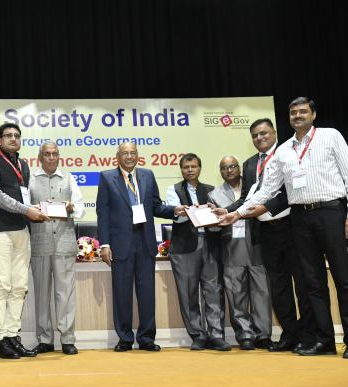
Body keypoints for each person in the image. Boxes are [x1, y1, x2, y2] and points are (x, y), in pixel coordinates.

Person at [220, 97, 348, 359]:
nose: (298, 116)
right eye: (293, 113)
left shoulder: (330, 136)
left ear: (313, 114)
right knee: (313, 284)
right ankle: (324, 341)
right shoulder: (284, 150)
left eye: (303, 111)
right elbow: (266, 189)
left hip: (330, 213)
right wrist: (236, 214)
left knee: (343, 280)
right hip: (300, 219)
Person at [218, 118, 314, 353]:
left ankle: (308, 335)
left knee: (302, 284)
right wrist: (228, 212)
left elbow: (291, 191)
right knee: (279, 287)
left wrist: (265, 208)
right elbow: (248, 198)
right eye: (255, 135)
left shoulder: (288, 154)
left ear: (274, 133)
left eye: (264, 133)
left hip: (292, 228)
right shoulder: (250, 164)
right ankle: (289, 335)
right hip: (266, 233)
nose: (259, 138)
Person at [97, 143, 183, 352]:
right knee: (121, 293)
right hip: (120, 243)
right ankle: (125, 338)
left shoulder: (147, 175)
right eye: (125, 153)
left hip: (145, 242)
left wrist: (175, 210)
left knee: (147, 294)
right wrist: (105, 244)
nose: (129, 156)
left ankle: (146, 338)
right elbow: (103, 213)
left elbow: (156, 206)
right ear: (117, 156)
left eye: (133, 153)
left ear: (137, 156)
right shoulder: (107, 177)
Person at [0, 122, 49, 359]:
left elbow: (24, 196)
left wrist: (37, 208)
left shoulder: (23, 164)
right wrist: (26, 209)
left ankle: (12, 336)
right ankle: (0, 340)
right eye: (8, 135)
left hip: (22, 230)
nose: (13, 139)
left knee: (19, 286)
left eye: (17, 136)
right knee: (2, 285)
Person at [166, 153, 230, 351]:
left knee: (213, 290)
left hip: (210, 243)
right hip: (184, 247)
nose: (190, 170)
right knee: (188, 292)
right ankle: (198, 334)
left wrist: (212, 211)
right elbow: (177, 217)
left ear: (200, 168)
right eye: (186, 167)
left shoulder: (211, 190)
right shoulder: (173, 190)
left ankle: (216, 335)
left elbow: (220, 220)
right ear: (181, 170)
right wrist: (187, 211)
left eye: (193, 166)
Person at [28, 142, 85, 355]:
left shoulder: (69, 178)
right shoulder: (30, 179)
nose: (51, 158)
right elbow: (24, 207)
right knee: (41, 294)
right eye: (47, 154)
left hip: (64, 243)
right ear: (40, 157)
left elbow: (80, 208)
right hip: (39, 243)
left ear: (59, 156)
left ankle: (68, 339)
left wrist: (71, 207)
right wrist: (33, 209)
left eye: (54, 154)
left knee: (65, 293)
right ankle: (45, 339)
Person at [209, 155, 271, 350]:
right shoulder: (214, 195)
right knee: (237, 294)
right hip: (231, 248)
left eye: (233, 166)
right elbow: (213, 226)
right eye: (224, 168)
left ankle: (263, 335)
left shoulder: (255, 187)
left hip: (256, 245)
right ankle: (245, 335)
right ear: (220, 172)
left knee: (261, 292)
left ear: (240, 168)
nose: (229, 170)